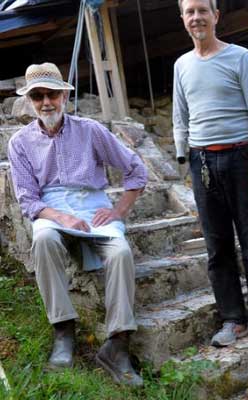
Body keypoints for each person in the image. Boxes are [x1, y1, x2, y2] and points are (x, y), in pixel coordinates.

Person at [8, 62, 147, 386]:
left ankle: (118, 344)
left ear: (64, 96)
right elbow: (28, 200)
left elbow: (135, 168)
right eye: (38, 96)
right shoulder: (20, 142)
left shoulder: (90, 130)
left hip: (93, 205)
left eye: (52, 94)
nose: (46, 102)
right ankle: (64, 331)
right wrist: (61, 216)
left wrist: (119, 209)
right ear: (29, 101)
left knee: (120, 252)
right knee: (44, 240)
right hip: (51, 209)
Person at [173, 0, 248, 347]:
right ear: (183, 19)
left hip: (241, 157)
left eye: (202, 10)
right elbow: (180, 115)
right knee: (217, 247)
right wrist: (182, 156)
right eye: (190, 12)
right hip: (202, 161)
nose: (196, 17)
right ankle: (233, 320)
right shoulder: (182, 65)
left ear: (216, 16)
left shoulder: (239, 57)